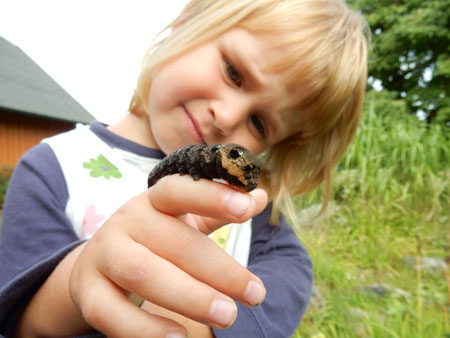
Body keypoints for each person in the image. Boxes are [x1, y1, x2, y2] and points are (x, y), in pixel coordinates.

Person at [0, 0, 369, 336]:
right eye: (233, 72)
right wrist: (80, 280)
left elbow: (280, 291)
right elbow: (18, 321)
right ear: (186, 23)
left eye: (259, 124)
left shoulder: (256, 220)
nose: (226, 117)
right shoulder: (51, 167)